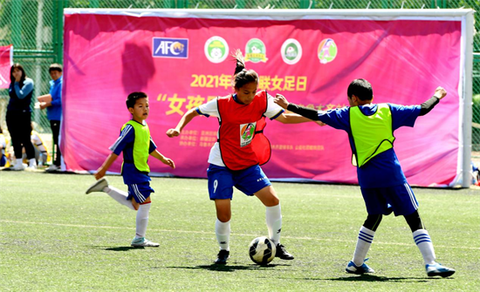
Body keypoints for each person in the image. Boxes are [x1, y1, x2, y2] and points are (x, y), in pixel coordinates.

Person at [274, 78, 455, 277]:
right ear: (371, 97)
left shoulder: (347, 114)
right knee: (413, 216)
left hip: (367, 178)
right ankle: (431, 263)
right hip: (391, 174)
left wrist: (288, 105)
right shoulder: (388, 110)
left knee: (374, 216)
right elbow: (422, 109)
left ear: (353, 98)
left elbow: (316, 115)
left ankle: (356, 263)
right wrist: (437, 95)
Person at [166, 50, 319, 265]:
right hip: (222, 164)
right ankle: (223, 251)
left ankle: (275, 244)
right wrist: (178, 128)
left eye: (254, 91)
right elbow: (192, 111)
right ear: (236, 89)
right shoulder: (221, 104)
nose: (251, 96)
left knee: (273, 200)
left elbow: (284, 118)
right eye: (247, 92)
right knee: (224, 214)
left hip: (246, 163)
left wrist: (311, 119)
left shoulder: (261, 102)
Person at [86, 91, 175, 247]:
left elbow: (150, 147)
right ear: (131, 110)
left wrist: (164, 159)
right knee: (145, 203)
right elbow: (116, 149)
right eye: (140, 106)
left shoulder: (144, 126)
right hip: (133, 171)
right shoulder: (130, 128)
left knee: (136, 204)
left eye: (146, 105)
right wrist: (103, 168)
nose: (145, 109)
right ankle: (139, 238)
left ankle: (105, 188)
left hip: (141, 170)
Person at [6, 63, 36, 170]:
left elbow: (21, 95)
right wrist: (15, 83)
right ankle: (18, 162)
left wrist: (17, 84)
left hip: (23, 114)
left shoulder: (28, 82)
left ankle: (32, 162)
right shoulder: (13, 83)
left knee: (25, 138)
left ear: (22, 71)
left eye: (18, 71)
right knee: (15, 138)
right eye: (14, 71)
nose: (16, 73)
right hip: (12, 113)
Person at [38, 63, 63, 171]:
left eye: (55, 73)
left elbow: (60, 100)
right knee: (56, 140)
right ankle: (58, 162)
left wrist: (47, 104)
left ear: (60, 73)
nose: (53, 75)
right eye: (52, 73)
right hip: (53, 115)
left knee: (59, 140)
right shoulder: (53, 84)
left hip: (59, 116)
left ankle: (59, 163)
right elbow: (51, 98)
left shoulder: (61, 83)